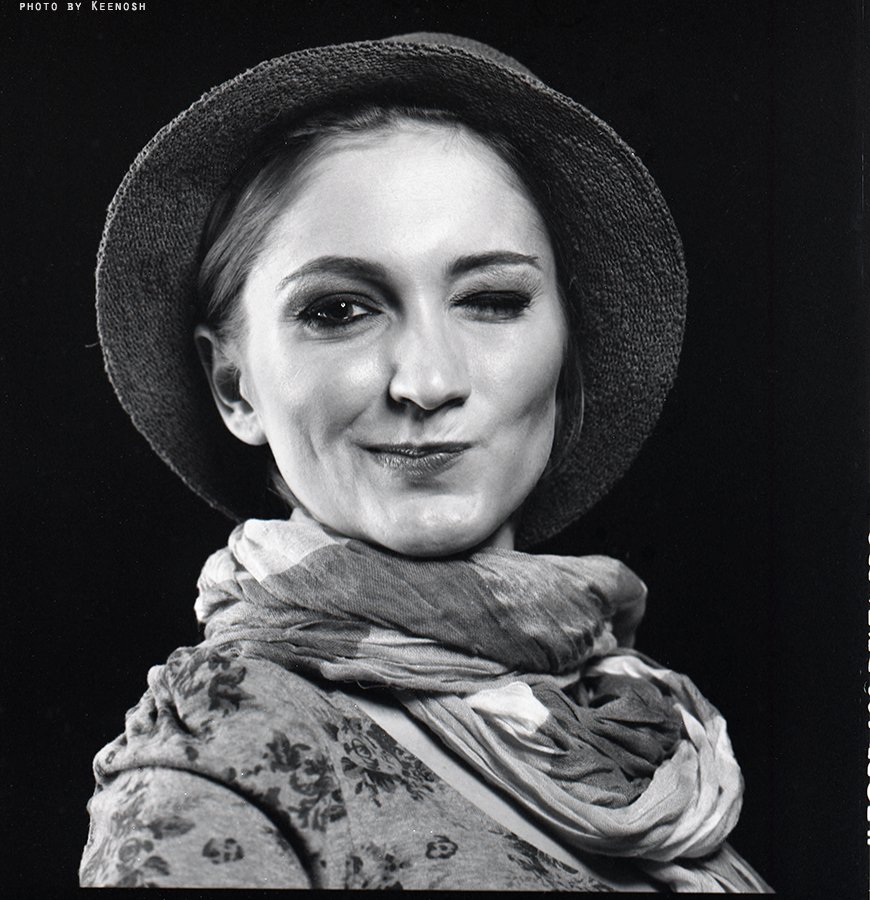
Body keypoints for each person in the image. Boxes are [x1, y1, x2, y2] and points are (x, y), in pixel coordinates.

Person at [79, 33, 771, 891]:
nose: (429, 381)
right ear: (235, 386)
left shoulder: (635, 722)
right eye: (338, 311)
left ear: (566, 359)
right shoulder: (217, 748)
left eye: (492, 300)